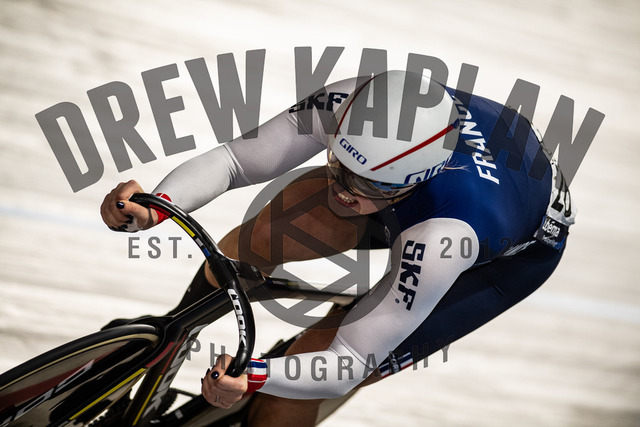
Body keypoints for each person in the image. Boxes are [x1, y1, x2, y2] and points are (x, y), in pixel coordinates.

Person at [100, 70, 575, 426]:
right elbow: (234, 161)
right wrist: (157, 204)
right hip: (427, 191)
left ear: (419, 178)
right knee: (263, 237)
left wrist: (259, 376)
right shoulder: (352, 101)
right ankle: (173, 338)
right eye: (340, 165)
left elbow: (347, 362)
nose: (345, 191)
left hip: (503, 256)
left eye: (367, 184)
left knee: (297, 380)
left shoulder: (447, 235)